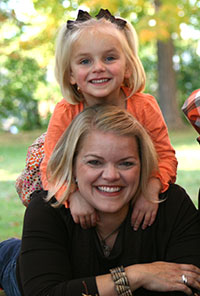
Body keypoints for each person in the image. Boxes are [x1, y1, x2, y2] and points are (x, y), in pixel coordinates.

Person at [1, 105, 200, 296]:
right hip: (17, 266)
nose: (111, 175)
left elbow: (188, 285)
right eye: (94, 162)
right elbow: (44, 292)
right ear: (72, 165)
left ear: (143, 166)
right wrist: (137, 275)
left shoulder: (171, 205)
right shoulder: (48, 207)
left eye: (126, 163)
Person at [16, 8, 178, 231]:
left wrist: (151, 188)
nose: (98, 68)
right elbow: (52, 167)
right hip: (79, 189)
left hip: (129, 191)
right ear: (71, 74)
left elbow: (165, 155)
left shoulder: (143, 106)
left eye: (110, 58)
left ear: (128, 67)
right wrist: (72, 196)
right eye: (85, 61)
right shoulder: (66, 111)